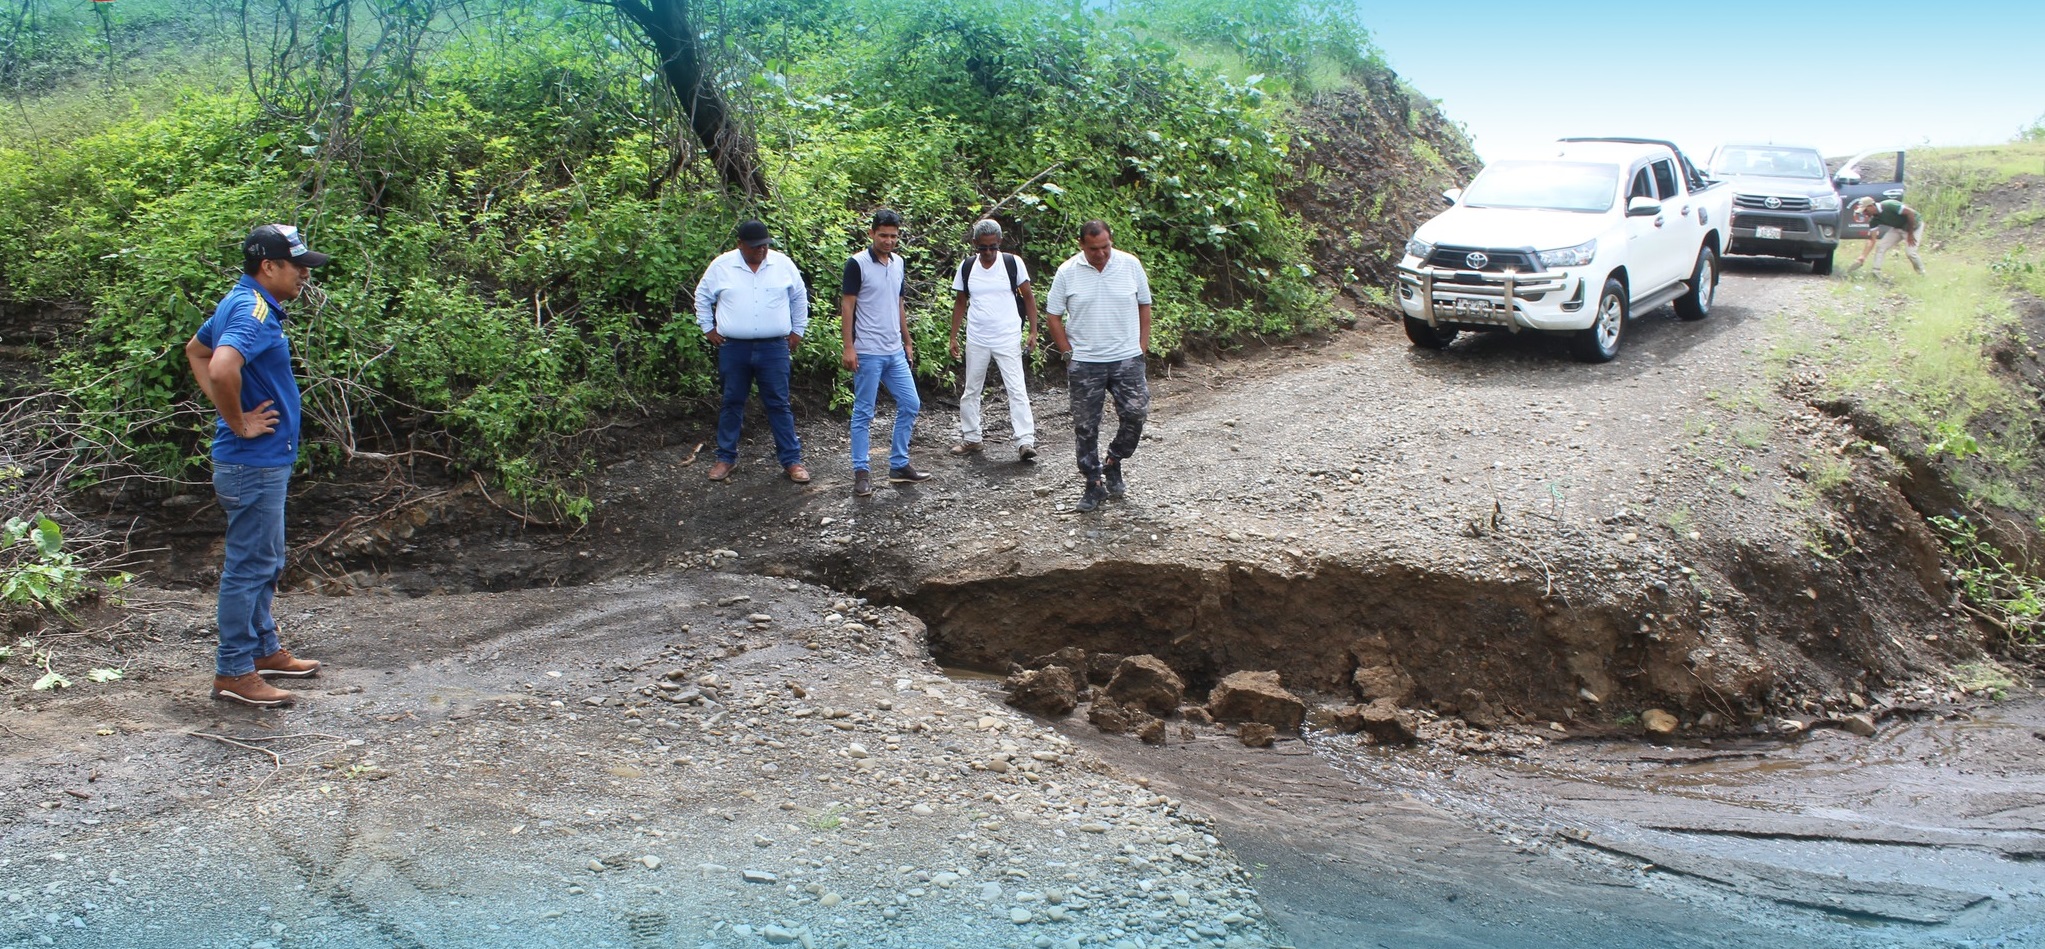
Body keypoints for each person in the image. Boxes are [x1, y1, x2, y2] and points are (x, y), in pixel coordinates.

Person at [183, 224, 328, 707]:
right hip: (252, 461)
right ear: (269, 266)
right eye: (298, 265)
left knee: (266, 559)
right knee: (249, 567)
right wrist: (238, 420)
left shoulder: (239, 301)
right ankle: (234, 671)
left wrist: (235, 415)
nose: (305, 274)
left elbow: (196, 350)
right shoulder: (252, 309)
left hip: (260, 461)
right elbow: (220, 366)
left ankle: (264, 650)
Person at [1044, 220, 1151, 513]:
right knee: (1086, 426)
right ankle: (1093, 482)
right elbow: (1052, 315)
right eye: (1094, 249)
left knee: (1136, 412)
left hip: (1126, 357)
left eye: (1105, 247)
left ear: (1111, 241)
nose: (1101, 254)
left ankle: (1114, 460)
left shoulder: (1130, 265)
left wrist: (1141, 346)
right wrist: (1067, 353)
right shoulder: (1067, 272)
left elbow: (1144, 304)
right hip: (1086, 362)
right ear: (1081, 245)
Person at [695, 220, 811, 484]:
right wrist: (707, 328)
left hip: (774, 347)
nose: (761, 251)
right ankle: (725, 458)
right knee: (732, 401)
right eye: (755, 246)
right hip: (734, 346)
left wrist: (798, 330)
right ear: (740, 245)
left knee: (779, 403)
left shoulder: (782, 264)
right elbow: (702, 296)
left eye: (765, 246)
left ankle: (791, 460)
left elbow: (799, 297)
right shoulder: (722, 266)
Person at [840, 209, 931, 496]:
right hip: (867, 350)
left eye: (893, 236)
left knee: (910, 403)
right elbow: (847, 306)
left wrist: (907, 340)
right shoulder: (857, 264)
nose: (889, 241)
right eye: (883, 235)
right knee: (864, 412)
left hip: (894, 350)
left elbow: (899, 303)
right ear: (872, 234)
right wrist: (848, 346)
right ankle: (861, 471)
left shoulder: (899, 263)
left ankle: (899, 465)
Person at [947, 219, 1039, 462]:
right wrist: (953, 336)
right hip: (977, 336)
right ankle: (972, 437)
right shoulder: (967, 267)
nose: (988, 253)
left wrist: (1033, 331)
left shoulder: (1012, 263)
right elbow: (960, 302)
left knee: (1016, 388)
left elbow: (1028, 297)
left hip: (1007, 335)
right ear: (975, 244)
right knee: (971, 389)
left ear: (999, 243)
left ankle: (1025, 440)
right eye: (983, 248)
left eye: (992, 247)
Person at [1847, 196, 1926, 275]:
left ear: (1871, 206)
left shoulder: (1889, 205)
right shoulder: (1873, 220)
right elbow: (1872, 240)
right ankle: (1876, 272)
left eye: (1865, 211)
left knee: (1910, 253)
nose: (1865, 214)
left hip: (1914, 227)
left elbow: (1910, 213)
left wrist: (1910, 234)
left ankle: (1922, 273)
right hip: (1898, 228)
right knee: (1881, 247)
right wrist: (1863, 256)